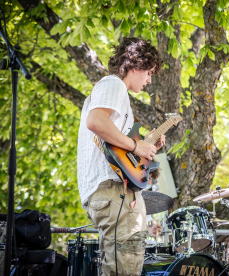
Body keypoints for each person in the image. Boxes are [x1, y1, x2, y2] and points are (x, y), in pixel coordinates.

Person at [77, 37, 164, 276]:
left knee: (115, 268)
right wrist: (136, 148)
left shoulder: (115, 95)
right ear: (135, 66)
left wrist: (145, 147)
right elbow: (95, 122)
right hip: (112, 191)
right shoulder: (113, 84)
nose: (149, 80)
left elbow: (118, 151)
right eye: (149, 73)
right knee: (125, 268)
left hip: (110, 192)